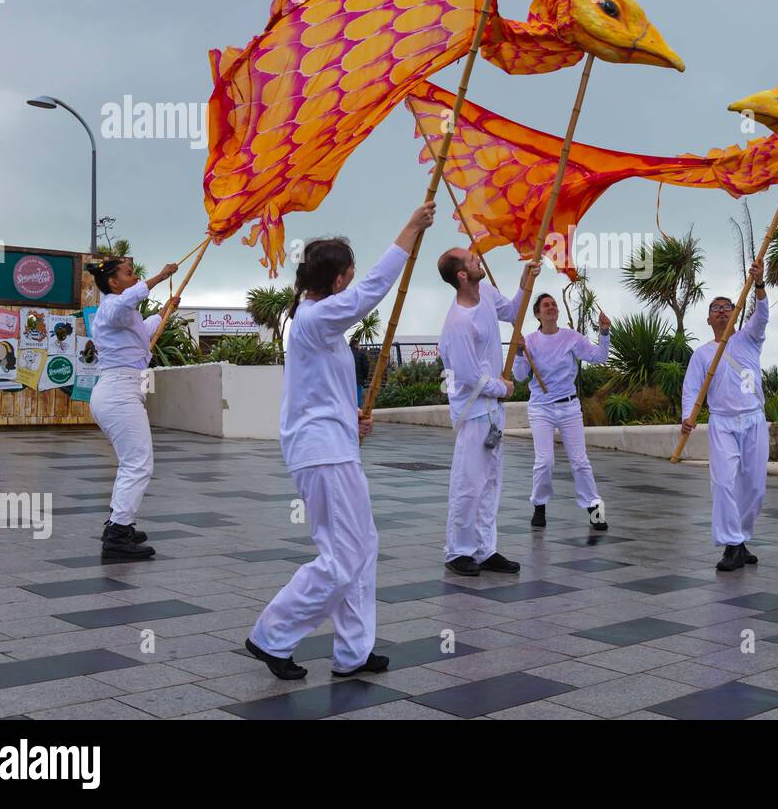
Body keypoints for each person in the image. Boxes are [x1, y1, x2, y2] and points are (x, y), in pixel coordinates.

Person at [246, 202, 435, 682]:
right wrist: (410, 228)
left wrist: (350, 420)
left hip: (332, 446)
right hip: (321, 453)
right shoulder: (315, 320)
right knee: (343, 555)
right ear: (335, 283)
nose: (354, 279)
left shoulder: (317, 324)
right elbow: (373, 290)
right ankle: (273, 634)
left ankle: (353, 650)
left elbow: (315, 394)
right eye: (349, 272)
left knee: (361, 546)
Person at [438, 246, 537, 577]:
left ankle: (484, 548)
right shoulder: (458, 322)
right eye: (471, 260)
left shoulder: (488, 292)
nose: (478, 258)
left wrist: (524, 283)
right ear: (462, 275)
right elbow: (468, 376)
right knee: (469, 481)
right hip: (474, 412)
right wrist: (503, 388)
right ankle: (458, 551)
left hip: (493, 411)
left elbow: (512, 312)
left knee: (491, 481)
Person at [86, 255, 179, 560]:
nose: (134, 276)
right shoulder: (112, 306)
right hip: (118, 393)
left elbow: (144, 331)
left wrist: (165, 312)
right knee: (138, 463)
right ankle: (117, 534)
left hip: (120, 390)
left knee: (132, 462)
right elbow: (129, 300)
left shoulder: (122, 315)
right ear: (113, 282)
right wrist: (160, 276)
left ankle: (119, 525)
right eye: (128, 273)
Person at [681, 257, 768, 573]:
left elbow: (763, 315)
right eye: (715, 308)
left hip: (754, 420)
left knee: (755, 488)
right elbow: (691, 390)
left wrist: (758, 284)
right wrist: (687, 417)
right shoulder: (701, 354)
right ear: (708, 320)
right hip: (722, 423)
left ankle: (742, 540)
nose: (721, 311)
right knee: (724, 483)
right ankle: (731, 545)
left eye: (726, 307)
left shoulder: (750, 338)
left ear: (735, 313)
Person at [511, 295, 611, 530]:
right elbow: (518, 375)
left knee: (580, 461)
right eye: (546, 305)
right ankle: (539, 505)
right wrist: (518, 352)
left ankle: (595, 509)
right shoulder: (530, 341)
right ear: (537, 314)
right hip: (541, 407)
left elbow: (599, 357)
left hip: (568, 406)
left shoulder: (571, 337)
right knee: (544, 462)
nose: (551, 307)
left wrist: (604, 334)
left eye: (553, 303)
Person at [350, 336, 370, 407]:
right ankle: (357, 414)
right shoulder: (361, 354)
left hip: (348, 380)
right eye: (359, 345)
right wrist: (365, 377)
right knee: (358, 399)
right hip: (358, 380)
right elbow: (366, 367)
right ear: (356, 345)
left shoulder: (346, 354)